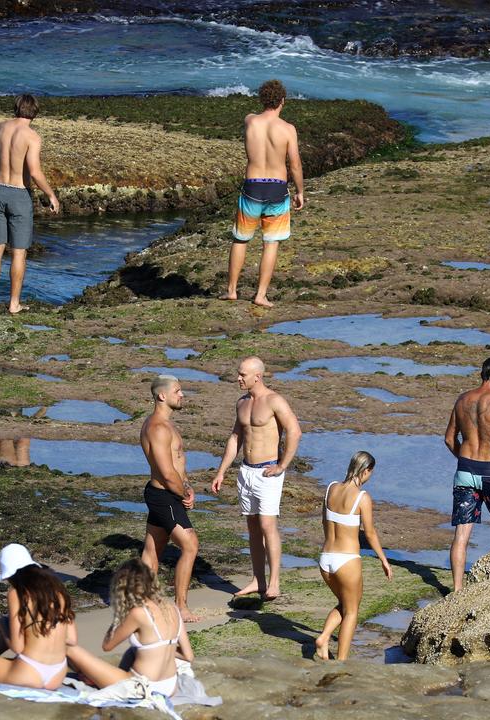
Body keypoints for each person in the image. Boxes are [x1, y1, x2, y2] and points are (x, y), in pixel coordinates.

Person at [210, 356, 302, 599]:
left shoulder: (274, 400)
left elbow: (294, 430)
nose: (238, 378)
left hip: (268, 471)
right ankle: (258, 580)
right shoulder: (242, 403)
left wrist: (283, 465)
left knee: (267, 525)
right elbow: (235, 438)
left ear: (257, 376)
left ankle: (274, 583)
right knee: (252, 527)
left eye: (242, 375)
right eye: (238, 374)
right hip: (246, 471)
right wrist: (221, 472)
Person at [221, 79, 304, 307]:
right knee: (271, 243)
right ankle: (260, 295)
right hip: (277, 187)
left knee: (240, 239)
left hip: (253, 185)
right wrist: (300, 191)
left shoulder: (250, 121)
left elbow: (250, 121)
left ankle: (231, 290)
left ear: (262, 100)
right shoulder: (288, 129)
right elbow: (295, 164)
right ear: (282, 101)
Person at [0, 545, 77, 690]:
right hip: (57, 675)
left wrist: (1, 627)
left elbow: (18, 647)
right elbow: (71, 640)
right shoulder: (58, 590)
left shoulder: (17, 593)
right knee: (7, 623)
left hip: (29, 674)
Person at [66, 559, 194, 697]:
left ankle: (87, 677)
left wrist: (119, 615)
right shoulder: (172, 608)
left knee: (70, 649)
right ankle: (95, 677)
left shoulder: (138, 613)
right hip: (170, 685)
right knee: (134, 651)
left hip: (140, 688)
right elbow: (188, 656)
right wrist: (160, 648)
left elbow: (107, 645)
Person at [0, 94, 60, 313]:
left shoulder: (2, 127)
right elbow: (34, 172)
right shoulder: (32, 136)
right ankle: (14, 304)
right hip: (19, 195)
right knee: (18, 253)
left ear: (16, 108)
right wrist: (51, 195)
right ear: (35, 112)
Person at [444, 357, 490, 593]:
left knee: (462, 531)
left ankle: (456, 589)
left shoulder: (463, 399)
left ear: (482, 374)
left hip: (465, 469)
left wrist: (463, 460)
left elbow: (448, 438)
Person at [314, 451, 391, 661]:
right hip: (347, 560)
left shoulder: (330, 488)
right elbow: (370, 533)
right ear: (366, 471)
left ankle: (323, 638)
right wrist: (384, 560)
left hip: (325, 558)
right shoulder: (362, 497)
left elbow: (324, 522)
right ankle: (341, 662)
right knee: (351, 612)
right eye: (370, 474)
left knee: (344, 603)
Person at [139, 375, 201, 622]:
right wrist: (182, 493)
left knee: (153, 548)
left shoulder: (165, 424)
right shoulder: (158, 428)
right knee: (190, 545)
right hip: (164, 496)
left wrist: (188, 485)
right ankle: (181, 606)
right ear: (161, 396)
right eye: (177, 390)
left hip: (164, 493)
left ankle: (143, 602)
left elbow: (177, 465)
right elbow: (166, 472)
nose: (182, 394)